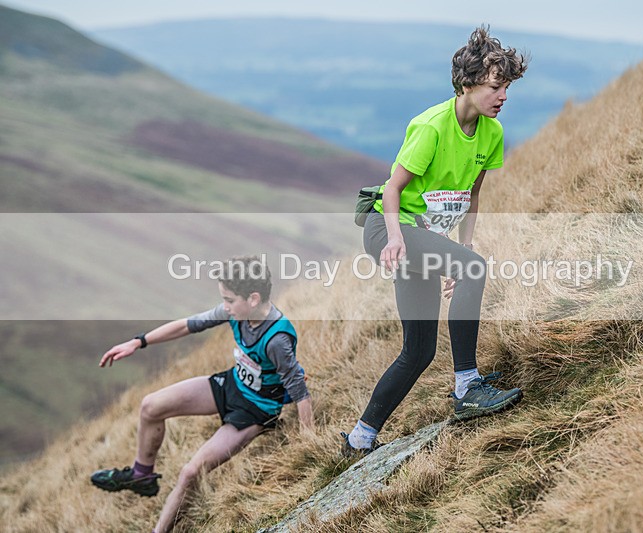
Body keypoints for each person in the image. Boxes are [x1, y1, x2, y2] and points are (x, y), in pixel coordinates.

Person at [342, 27, 528, 456]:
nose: (503, 97)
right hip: (389, 229)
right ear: (467, 84)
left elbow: (471, 196)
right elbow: (392, 190)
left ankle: (360, 438)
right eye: (496, 86)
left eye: (507, 88)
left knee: (419, 350)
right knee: (475, 269)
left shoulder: (492, 134)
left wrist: (458, 255)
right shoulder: (431, 127)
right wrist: (393, 240)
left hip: (423, 236)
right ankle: (467, 387)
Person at [90, 255, 314, 533]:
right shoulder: (237, 313)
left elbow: (300, 392)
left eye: (230, 300)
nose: (225, 306)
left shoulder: (277, 339)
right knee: (150, 406)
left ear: (253, 299)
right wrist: (139, 342)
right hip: (232, 385)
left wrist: (308, 446)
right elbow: (188, 324)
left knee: (190, 472)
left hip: (256, 411)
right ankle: (141, 476)